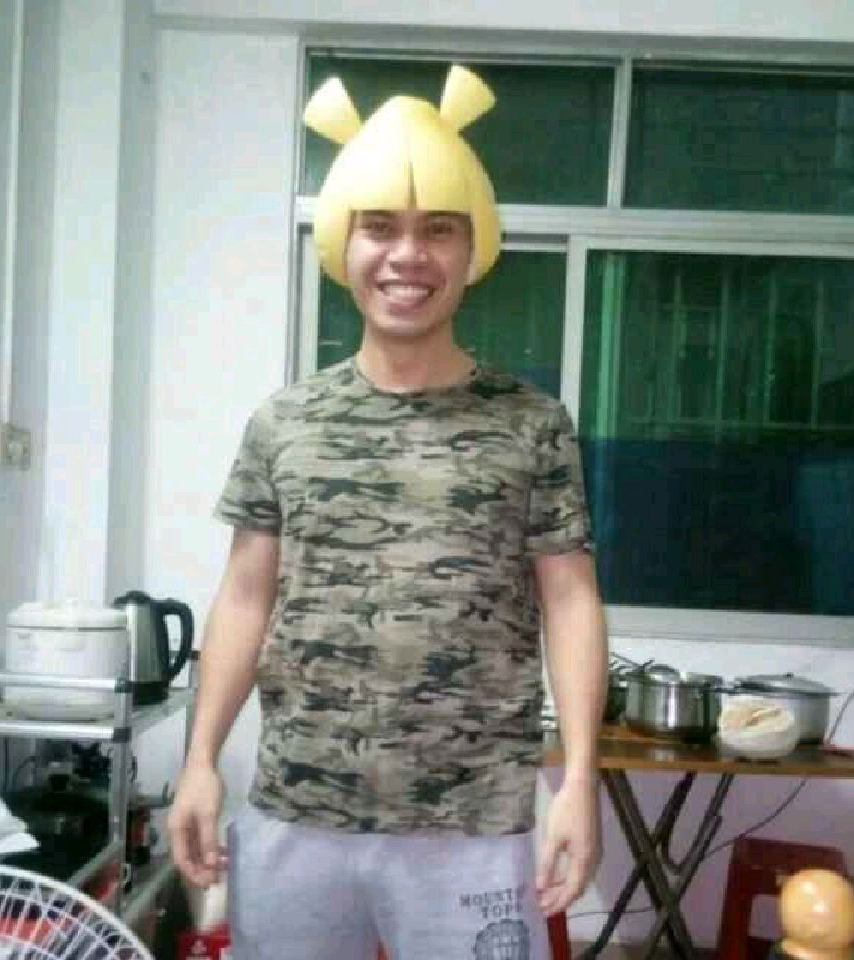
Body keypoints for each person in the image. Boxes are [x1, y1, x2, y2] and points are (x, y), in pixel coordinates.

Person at [168, 64, 608, 960]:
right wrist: (200, 761)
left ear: (473, 248)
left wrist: (578, 780)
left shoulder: (531, 423)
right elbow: (246, 596)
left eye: (438, 228)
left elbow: (570, 600)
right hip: (298, 810)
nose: (408, 255)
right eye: (380, 226)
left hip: (473, 825)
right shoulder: (284, 423)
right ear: (343, 243)